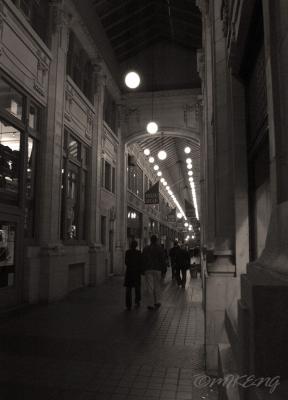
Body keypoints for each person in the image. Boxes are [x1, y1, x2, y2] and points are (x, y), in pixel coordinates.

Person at [142, 235, 165, 310]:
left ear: (150, 240)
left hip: (148, 269)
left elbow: (143, 259)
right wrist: (164, 269)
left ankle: (150, 304)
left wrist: (143, 269)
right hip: (157, 269)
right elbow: (162, 260)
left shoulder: (146, 249)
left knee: (150, 287)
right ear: (156, 240)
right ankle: (157, 301)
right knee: (157, 285)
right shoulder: (160, 249)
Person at [124, 240, 142, 310]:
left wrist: (131, 265)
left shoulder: (127, 252)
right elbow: (141, 262)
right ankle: (137, 301)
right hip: (136, 273)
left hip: (129, 272)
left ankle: (128, 304)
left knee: (128, 289)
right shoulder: (139, 253)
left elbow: (126, 262)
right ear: (136, 245)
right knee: (137, 288)